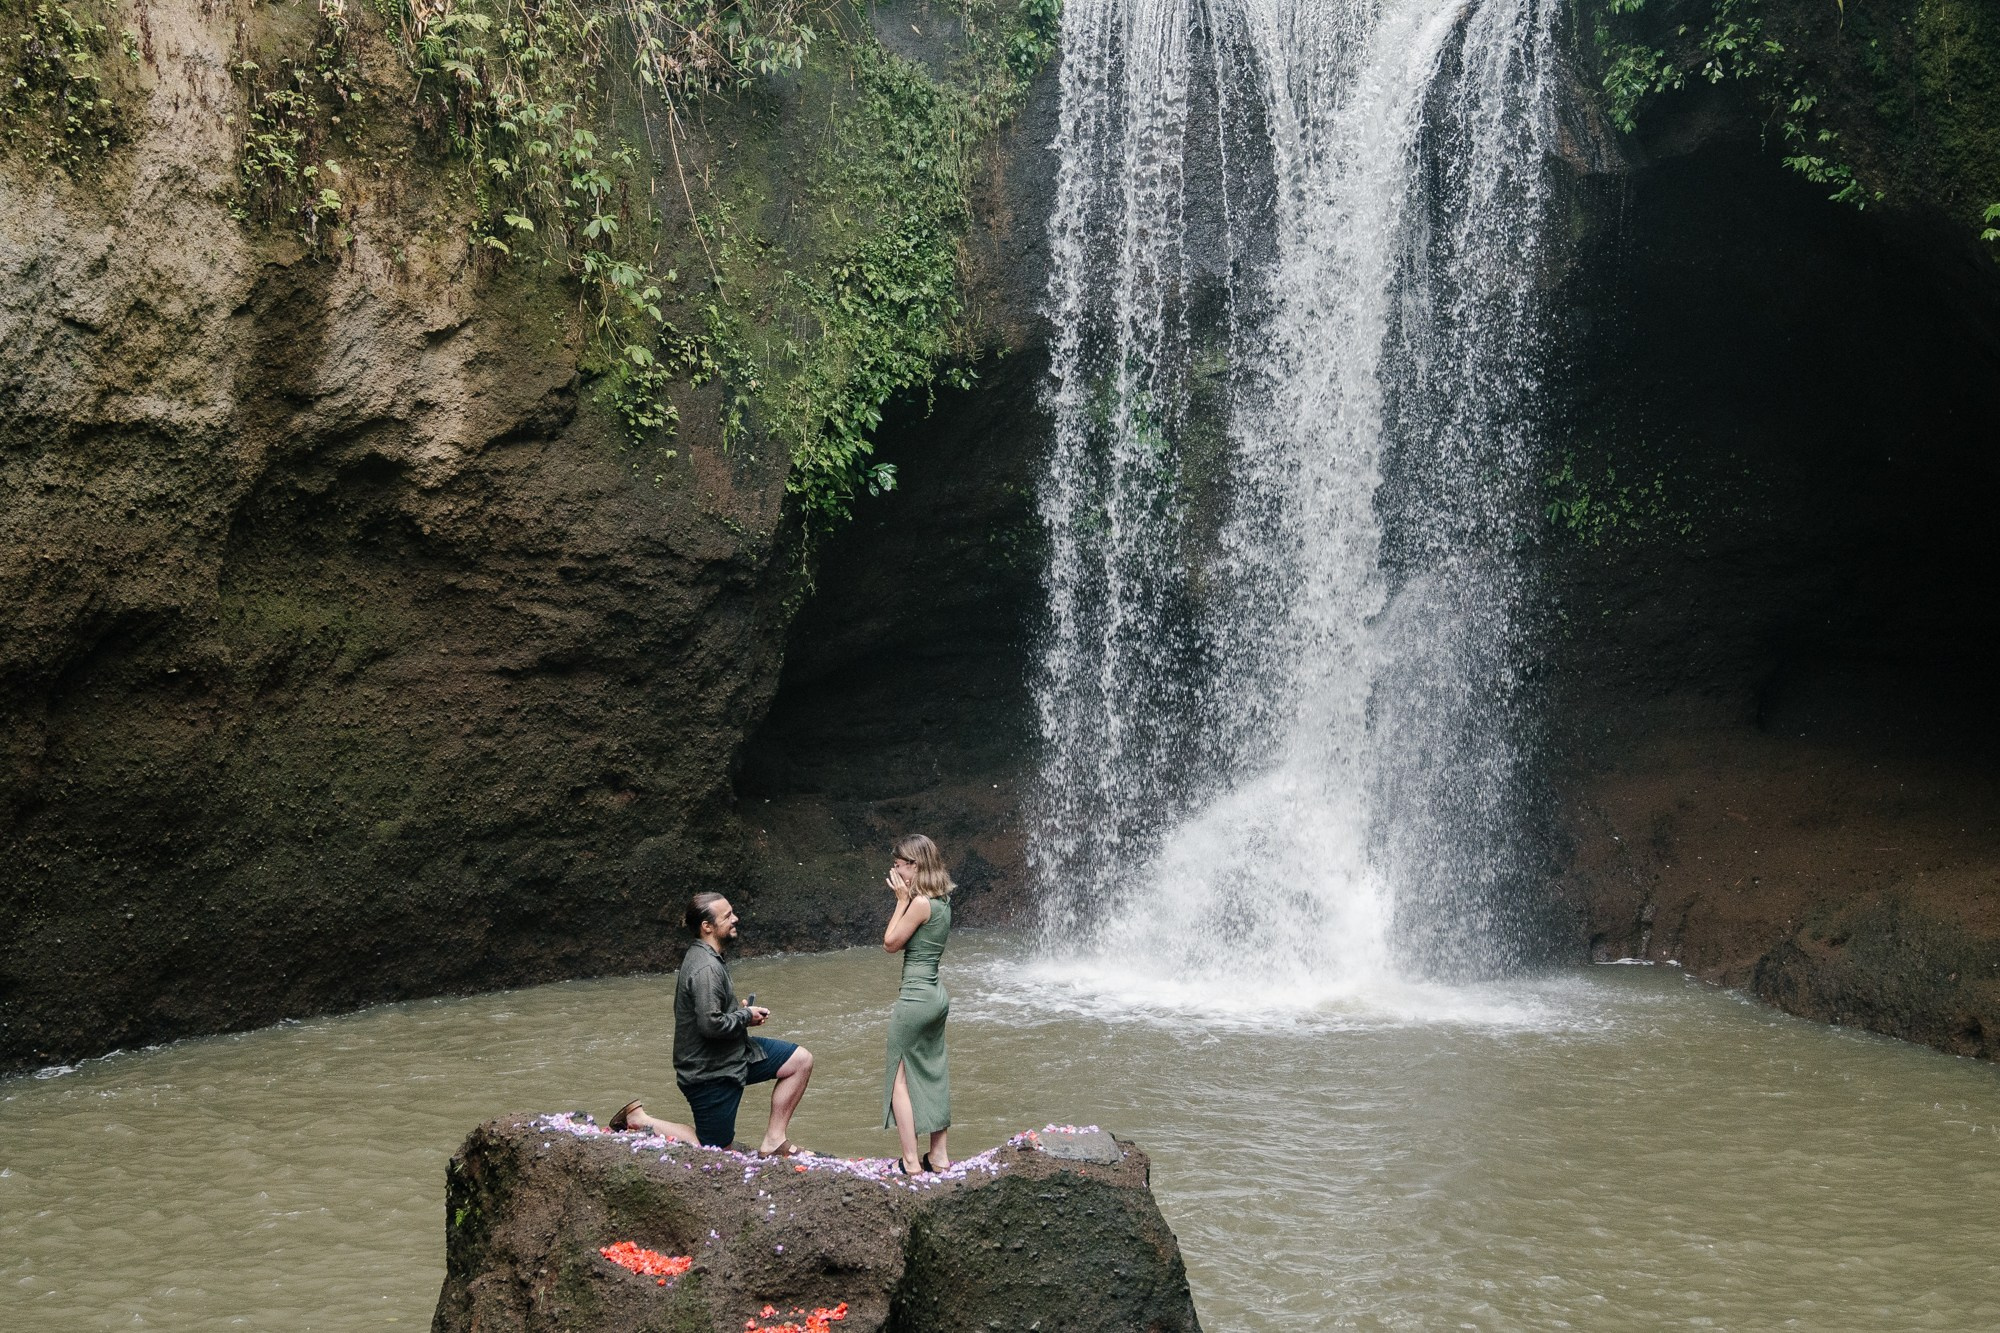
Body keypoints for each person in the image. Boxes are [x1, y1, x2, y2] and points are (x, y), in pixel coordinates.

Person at [612, 892, 814, 1155]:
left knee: (800, 1061)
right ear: (707, 927)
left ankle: (774, 1140)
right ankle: (639, 1120)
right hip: (709, 1071)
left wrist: (739, 1014)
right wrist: (745, 1016)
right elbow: (709, 1025)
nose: (735, 919)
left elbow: (712, 1014)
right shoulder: (705, 968)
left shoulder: (706, 956)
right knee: (716, 1150)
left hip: (733, 1054)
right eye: (727, 916)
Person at [881, 834, 954, 1175]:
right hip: (936, 997)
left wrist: (900, 901)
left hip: (915, 998)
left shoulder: (920, 903)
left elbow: (890, 943)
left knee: (899, 1075)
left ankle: (911, 1162)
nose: (894, 871)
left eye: (898, 865)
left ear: (915, 865)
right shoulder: (943, 902)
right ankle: (938, 1155)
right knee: (933, 1070)